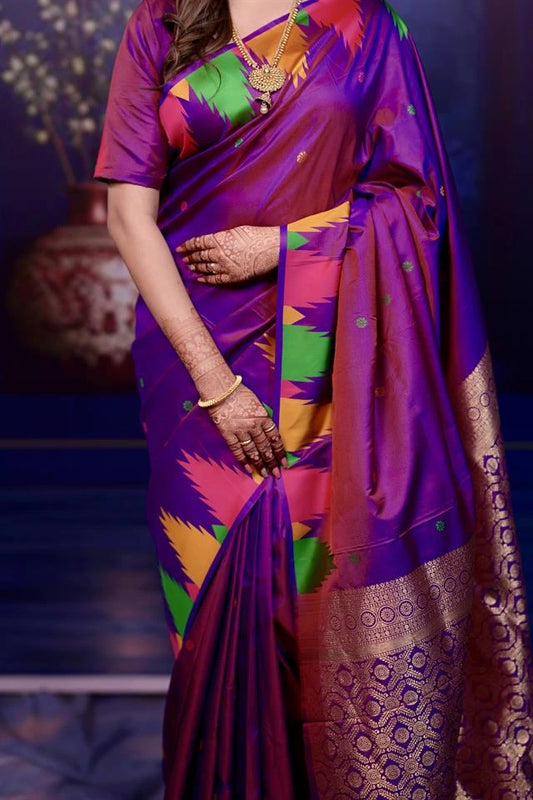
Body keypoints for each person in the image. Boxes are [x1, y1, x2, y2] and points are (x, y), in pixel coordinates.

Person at [94, 0, 533, 796]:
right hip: (196, 368)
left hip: (337, 359)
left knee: (316, 601)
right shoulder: (162, 18)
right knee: (218, 614)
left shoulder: (366, 26)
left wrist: (286, 245)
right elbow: (129, 214)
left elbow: (418, 205)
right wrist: (215, 384)